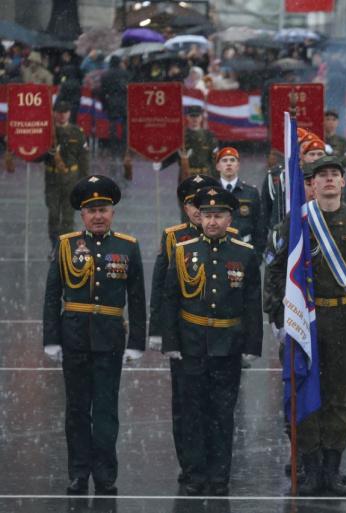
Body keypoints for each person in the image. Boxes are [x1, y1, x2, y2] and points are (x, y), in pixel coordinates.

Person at [264, 156, 346, 496]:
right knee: (304, 393)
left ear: (343, 183)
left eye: (334, 175)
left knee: (336, 397)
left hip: (344, 321)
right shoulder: (296, 222)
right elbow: (275, 272)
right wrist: (279, 317)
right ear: (312, 184)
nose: (329, 180)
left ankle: (332, 470)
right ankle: (310, 470)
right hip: (305, 322)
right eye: (322, 175)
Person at [43, 175, 146, 495]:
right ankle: (78, 473)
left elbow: (137, 298)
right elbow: (52, 295)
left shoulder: (127, 246)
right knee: (76, 410)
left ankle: (105, 474)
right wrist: (51, 338)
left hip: (110, 339)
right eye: (92, 211)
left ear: (112, 212)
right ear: (82, 215)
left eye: (103, 210)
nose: (98, 216)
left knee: (105, 411)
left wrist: (137, 342)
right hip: (74, 337)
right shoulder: (66, 245)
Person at [161, 186, 262, 496]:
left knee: (222, 414)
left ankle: (219, 476)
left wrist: (251, 346)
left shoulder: (244, 253)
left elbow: (252, 303)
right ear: (199, 218)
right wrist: (171, 342)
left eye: (218, 216)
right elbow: (170, 299)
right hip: (191, 345)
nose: (212, 222)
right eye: (207, 216)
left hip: (227, 345)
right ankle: (195, 473)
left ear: (230, 218)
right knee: (192, 412)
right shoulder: (182, 251)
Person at [147, 173, 220, 484]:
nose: (197, 209)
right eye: (192, 203)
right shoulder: (173, 237)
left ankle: (215, 463)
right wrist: (159, 331)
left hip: (219, 335)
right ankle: (190, 463)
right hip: (184, 334)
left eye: (202, 202)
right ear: (185, 207)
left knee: (216, 404)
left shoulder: (227, 235)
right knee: (184, 403)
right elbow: (161, 288)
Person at [44, 101, 90, 253]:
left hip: (71, 179)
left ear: (69, 113)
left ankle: (65, 248)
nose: (62, 115)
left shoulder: (77, 132)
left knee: (68, 218)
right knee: (53, 215)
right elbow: (38, 156)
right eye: (59, 112)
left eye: (65, 112)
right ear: (54, 113)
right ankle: (54, 247)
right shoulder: (47, 131)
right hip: (52, 178)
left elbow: (84, 158)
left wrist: (85, 182)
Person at [216, 147, 266, 265]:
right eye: (224, 160)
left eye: (232, 160)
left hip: (245, 249)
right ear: (218, 166)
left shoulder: (251, 192)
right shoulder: (211, 192)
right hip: (217, 250)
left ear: (238, 165)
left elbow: (260, 227)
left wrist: (257, 255)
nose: (229, 163)